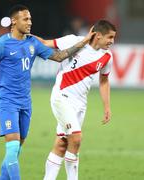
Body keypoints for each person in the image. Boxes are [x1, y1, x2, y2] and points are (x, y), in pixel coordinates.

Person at [0, 4, 95, 180]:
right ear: (14, 21)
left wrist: (84, 41)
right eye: (25, 19)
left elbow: (59, 56)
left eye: (30, 19)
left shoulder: (32, 43)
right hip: (7, 101)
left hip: (25, 103)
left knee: (15, 151)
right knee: (11, 148)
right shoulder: (1, 44)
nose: (30, 22)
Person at [38, 20, 116, 180]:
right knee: (76, 138)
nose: (112, 42)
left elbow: (104, 81)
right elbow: (46, 43)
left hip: (80, 104)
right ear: (99, 35)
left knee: (61, 144)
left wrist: (107, 107)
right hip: (62, 97)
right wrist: (22, 36)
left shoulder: (107, 56)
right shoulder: (74, 40)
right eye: (110, 37)